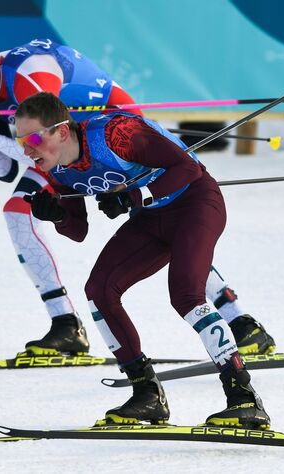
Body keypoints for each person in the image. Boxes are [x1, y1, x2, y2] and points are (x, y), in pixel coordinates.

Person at [0, 18, 275, 357]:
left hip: (111, 139)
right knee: (18, 211)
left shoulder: (30, 74)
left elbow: (34, 150)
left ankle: (240, 320)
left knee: (165, 220)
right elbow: (6, 169)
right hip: (65, 153)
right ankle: (66, 325)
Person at [15, 92, 270, 428]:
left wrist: (136, 196)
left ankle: (244, 397)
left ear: (62, 131)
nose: (26, 150)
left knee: (186, 295)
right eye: (20, 140)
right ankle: (147, 395)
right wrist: (56, 216)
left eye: (33, 138)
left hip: (195, 204)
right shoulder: (56, 170)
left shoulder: (115, 134)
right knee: (99, 289)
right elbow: (77, 231)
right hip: (151, 218)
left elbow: (188, 168)